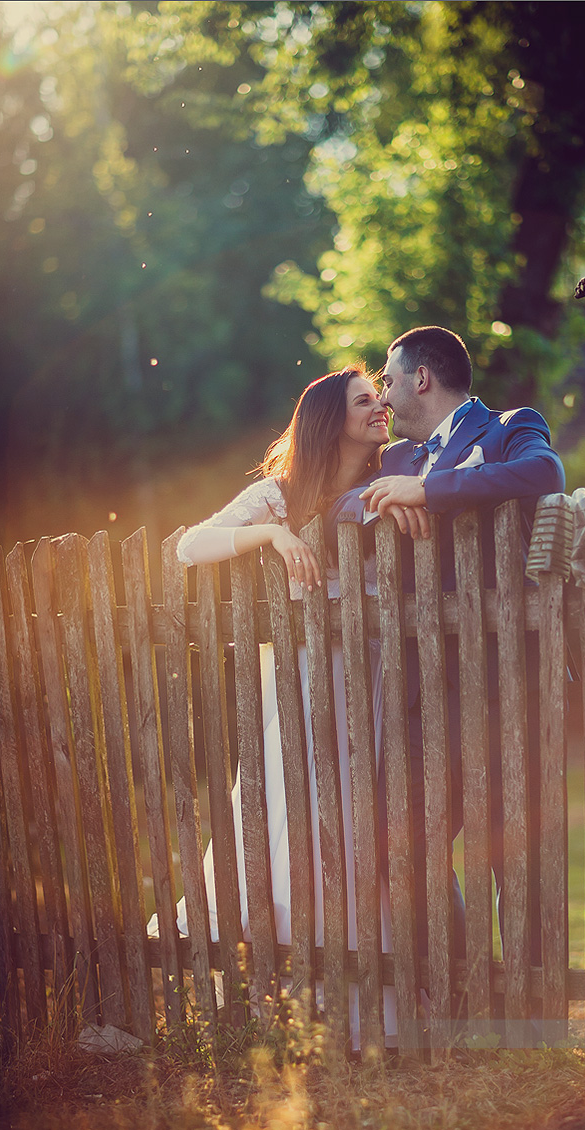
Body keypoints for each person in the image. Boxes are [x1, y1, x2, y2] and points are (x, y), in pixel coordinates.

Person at [147, 366, 397, 1048]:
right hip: (302, 680)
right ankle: (282, 996)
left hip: (374, 682)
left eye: (382, 396)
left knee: (358, 816)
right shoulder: (280, 494)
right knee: (293, 810)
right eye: (365, 399)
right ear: (327, 418)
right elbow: (191, 544)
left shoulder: (396, 477)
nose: (382, 407)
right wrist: (273, 536)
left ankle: (355, 998)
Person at [325, 326, 566, 1021]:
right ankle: (464, 992)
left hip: (500, 680)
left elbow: (543, 474)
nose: (386, 394)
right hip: (415, 686)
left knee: (505, 839)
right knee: (417, 839)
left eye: (390, 380)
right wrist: (390, 495)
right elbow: (337, 504)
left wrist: (430, 493)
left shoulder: (512, 425)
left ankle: (530, 1008)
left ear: (422, 377)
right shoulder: (393, 457)